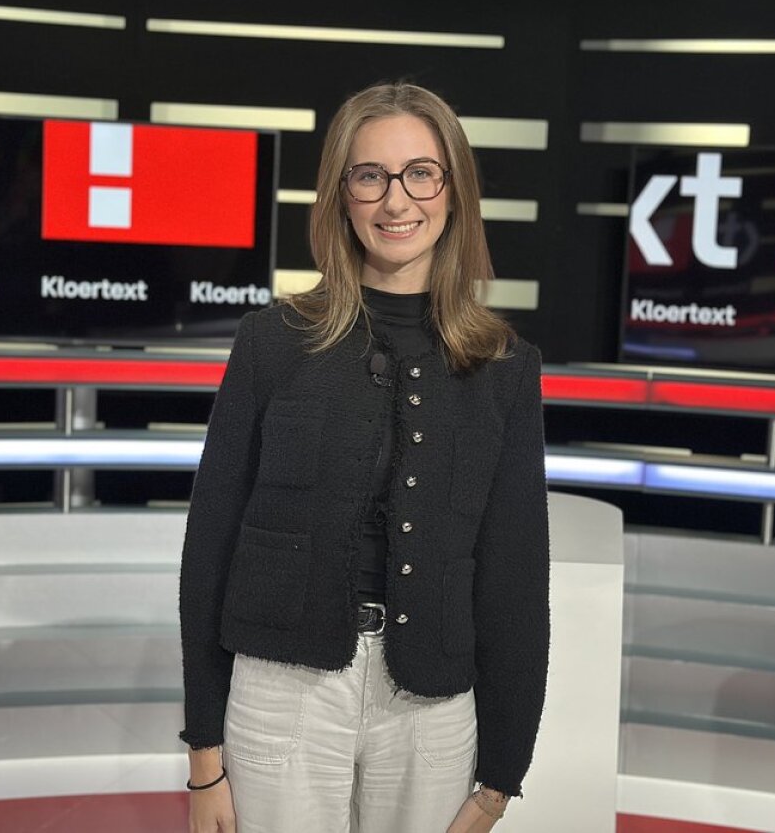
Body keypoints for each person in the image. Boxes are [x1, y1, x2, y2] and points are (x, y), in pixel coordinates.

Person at [179, 81, 550, 833]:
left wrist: (500, 779)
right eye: (370, 175)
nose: (396, 200)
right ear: (341, 194)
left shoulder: (505, 368)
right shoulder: (271, 342)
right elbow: (210, 549)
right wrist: (204, 759)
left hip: (431, 707)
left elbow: (515, 579)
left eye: (421, 173)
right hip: (282, 692)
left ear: (454, 190)